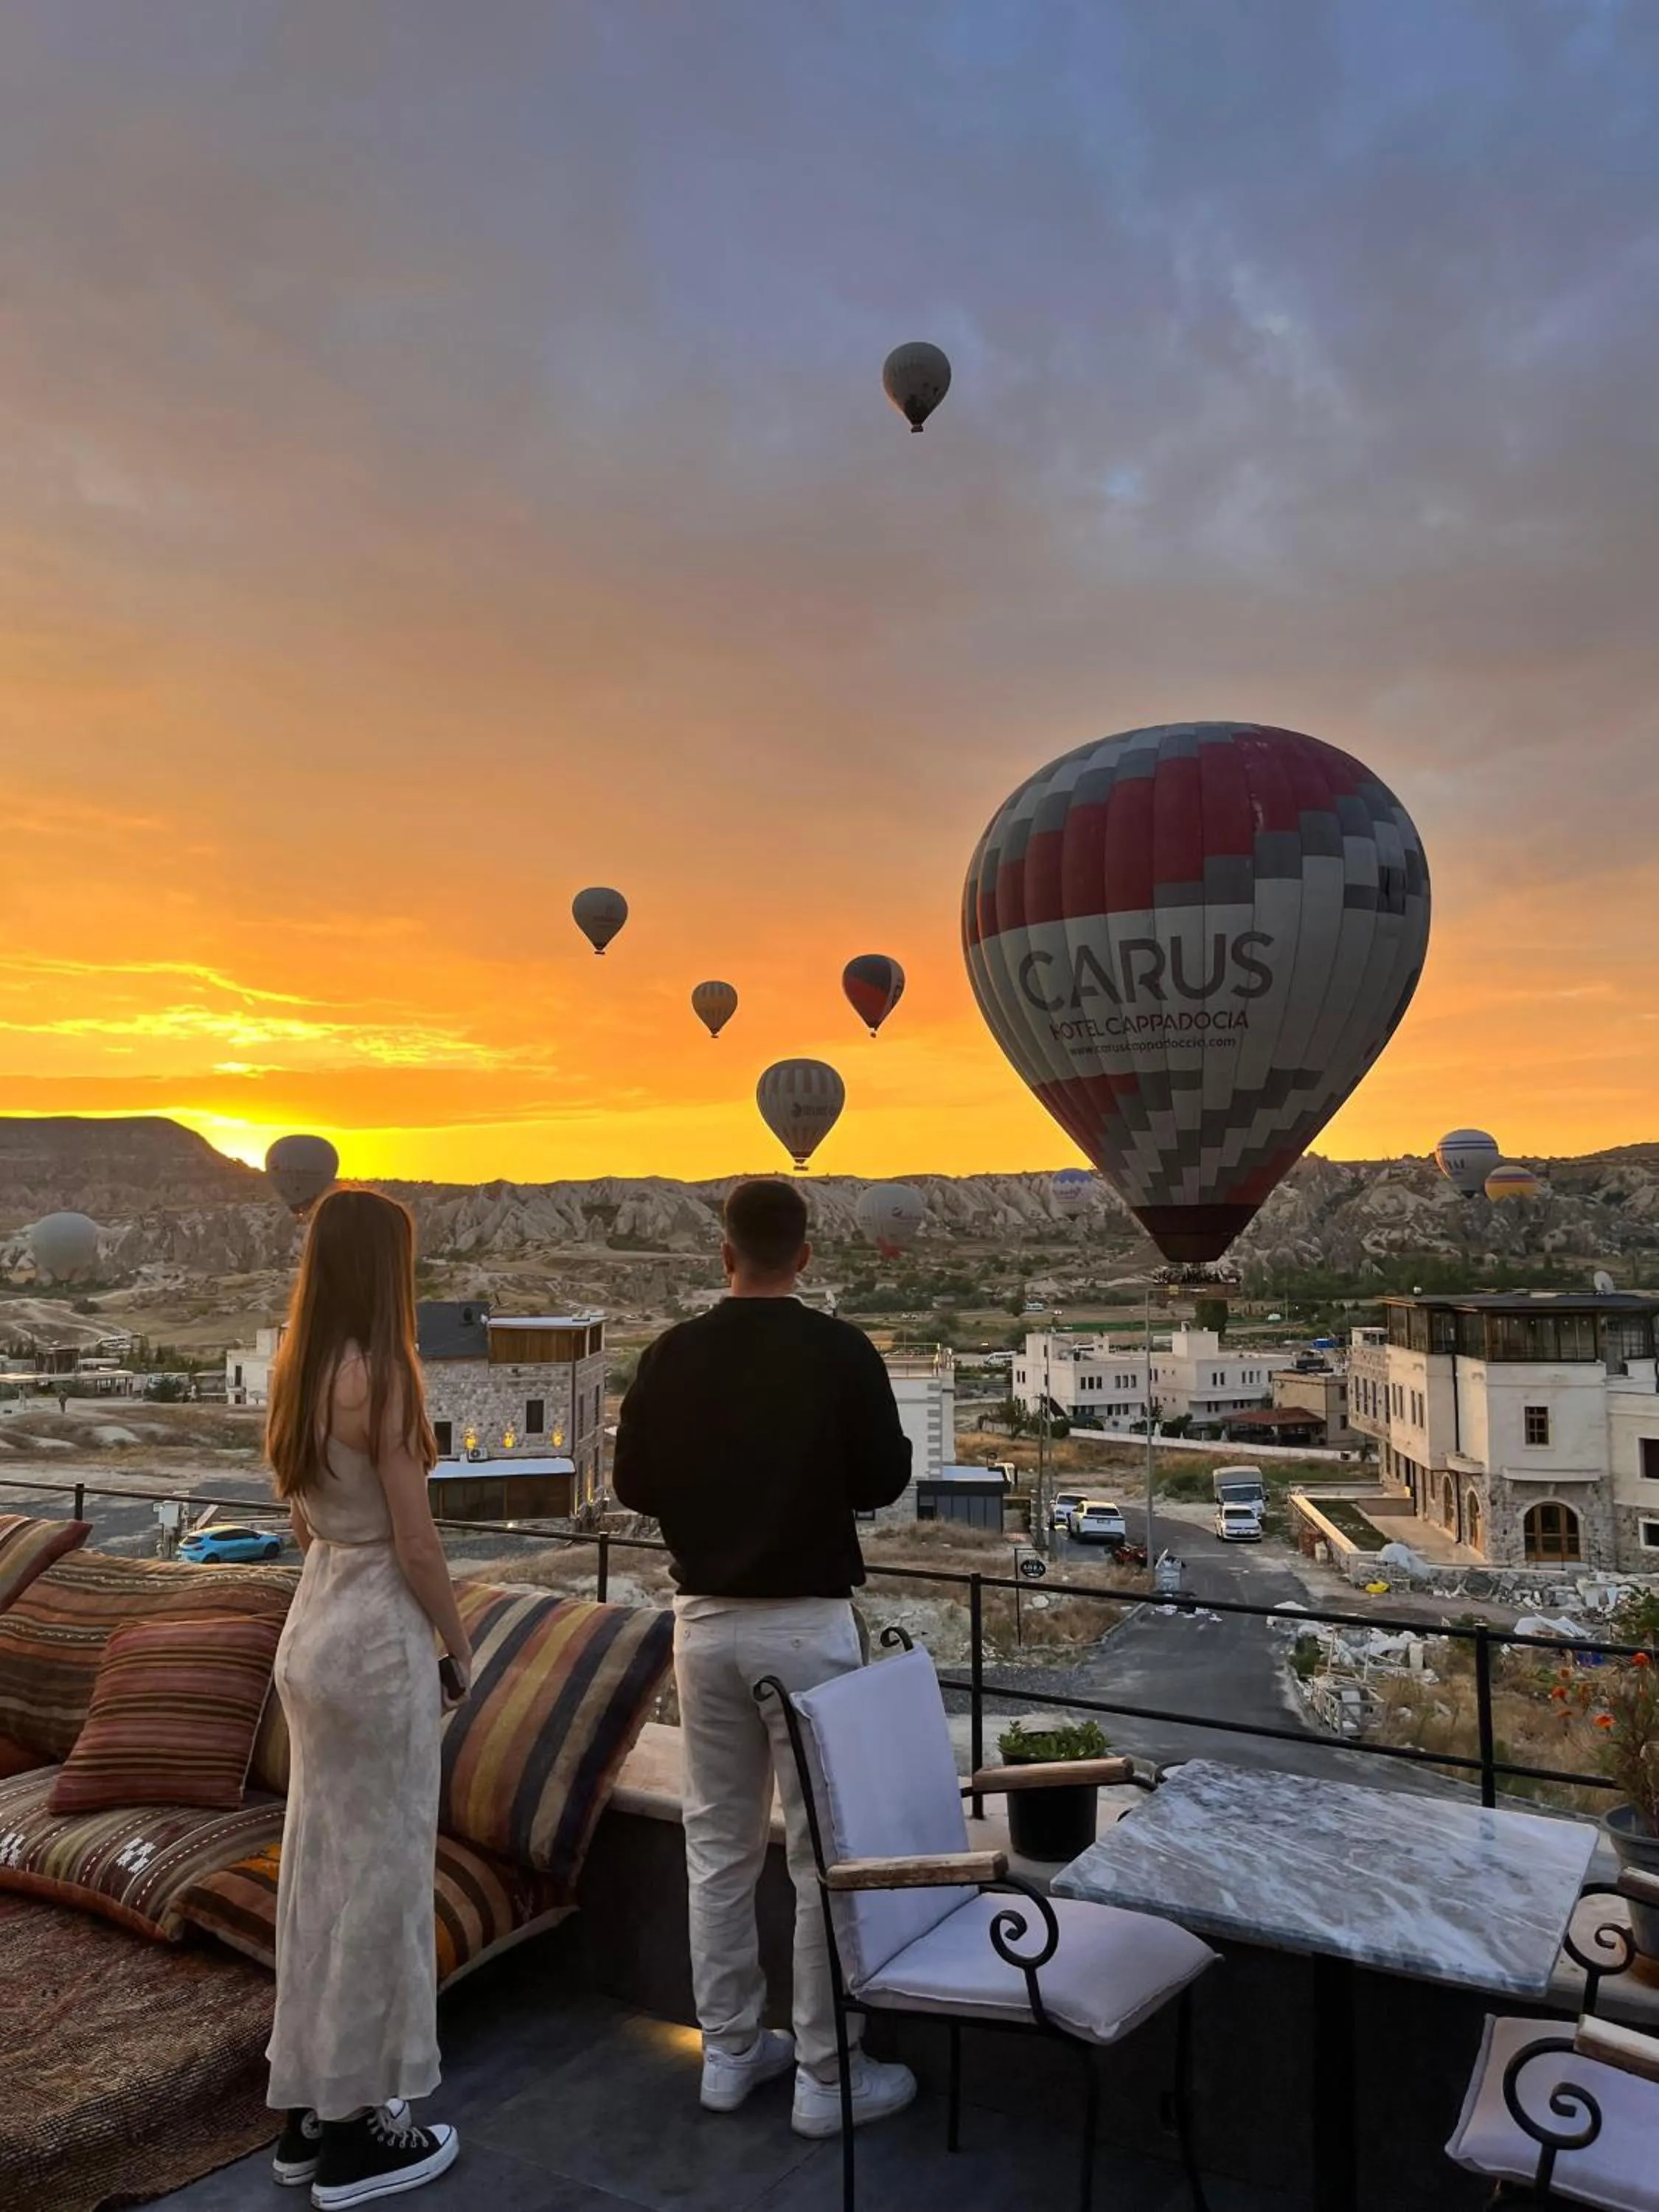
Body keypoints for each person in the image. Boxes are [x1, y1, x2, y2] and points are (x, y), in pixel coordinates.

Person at [613, 1178, 915, 2139]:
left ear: (723, 1251)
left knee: (719, 1849)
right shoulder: (839, 1352)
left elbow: (633, 1485)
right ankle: (827, 2080)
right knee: (822, 1858)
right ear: (806, 1254)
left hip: (702, 1622)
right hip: (806, 1627)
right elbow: (883, 1476)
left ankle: (730, 2055)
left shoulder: (670, 1354)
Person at [263, 1188, 473, 2207]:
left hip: (313, 1623)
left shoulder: (297, 1370)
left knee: (319, 1871)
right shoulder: (381, 1375)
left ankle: (306, 2112)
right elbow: (418, 1542)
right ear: (387, 1270)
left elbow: (312, 1526)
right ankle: (354, 2136)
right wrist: (459, 1641)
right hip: (377, 1631)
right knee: (382, 1880)